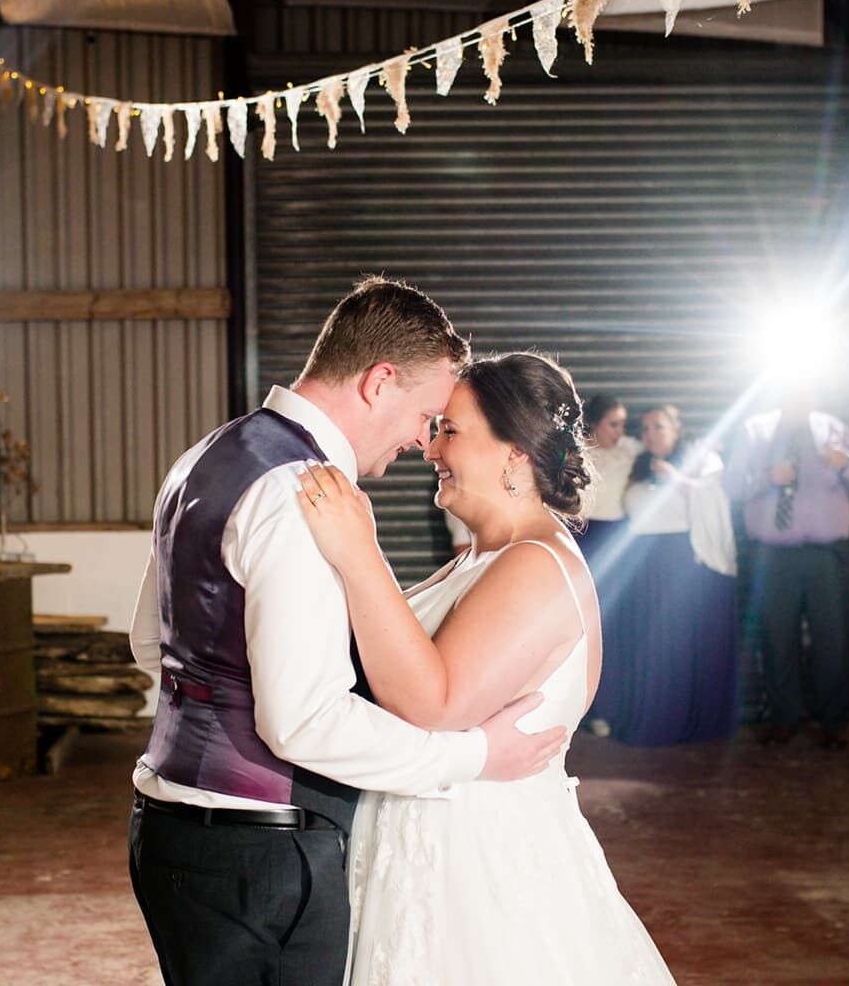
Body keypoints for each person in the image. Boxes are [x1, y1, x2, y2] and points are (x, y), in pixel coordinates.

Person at [125, 277, 565, 986]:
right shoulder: (306, 492)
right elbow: (303, 725)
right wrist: (472, 758)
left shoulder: (208, 456)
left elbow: (153, 642)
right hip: (258, 858)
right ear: (379, 382)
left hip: (167, 828)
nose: (424, 440)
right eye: (425, 414)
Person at [294, 352, 676, 985]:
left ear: (515, 453)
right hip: (423, 854)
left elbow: (434, 704)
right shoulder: (482, 557)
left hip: (479, 873)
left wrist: (357, 554)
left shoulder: (534, 565)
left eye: (450, 430)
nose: (429, 447)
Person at [725, 396, 849, 748]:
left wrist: (847, 465)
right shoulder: (755, 430)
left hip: (827, 554)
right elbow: (732, 486)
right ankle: (783, 719)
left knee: (832, 640)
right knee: (777, 639)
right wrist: (767, 477)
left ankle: (834, 722)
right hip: (773, 555)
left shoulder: (834, 428)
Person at [605, 404, 739, 745]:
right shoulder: (636, 465)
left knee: (679, 645)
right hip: (643, 567)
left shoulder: (700, 461)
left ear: (677, 430)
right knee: (649, 645)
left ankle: (687, 723)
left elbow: (716, 497)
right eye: (645, 428)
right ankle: (651, 720)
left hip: (680, 563)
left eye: (658, 427)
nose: (650, 434)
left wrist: (676, 478)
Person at [576, 394, 641, 738]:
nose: (620, 430)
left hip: (616, 540)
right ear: (595, 424)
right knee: (581, 630)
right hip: (583, 541)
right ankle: (581, 710)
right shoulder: (575, 454)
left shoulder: (632, 450)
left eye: (623, 424)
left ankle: (611, 709)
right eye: (613, 423)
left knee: (614, 627)